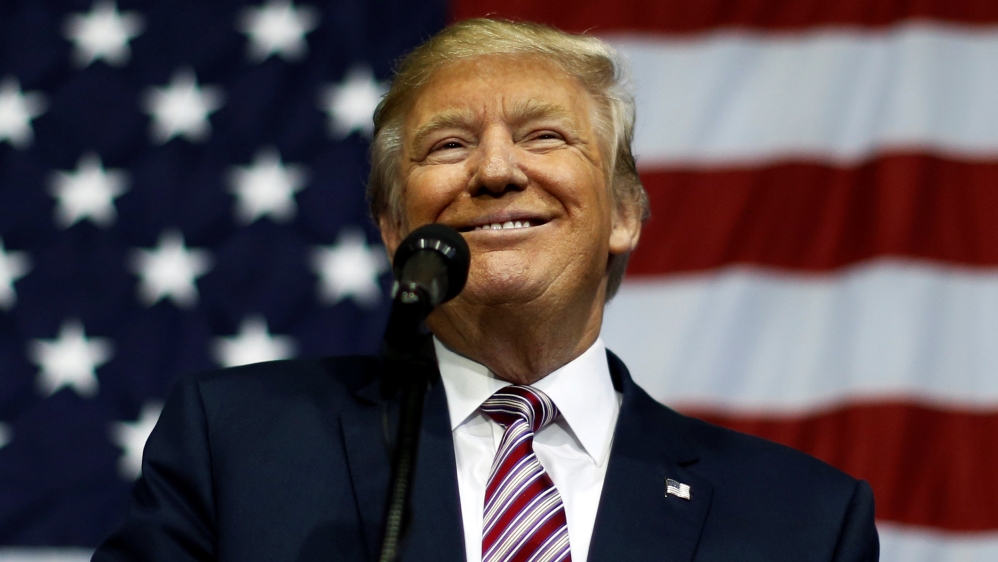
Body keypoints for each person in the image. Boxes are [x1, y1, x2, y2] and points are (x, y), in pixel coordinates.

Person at [93, 18, 879, 562]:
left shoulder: (802, 520)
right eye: (449, 145)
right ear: (396, 229)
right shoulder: (238, 445)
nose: (497, 170)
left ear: (624, 214)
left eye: (545, 136)